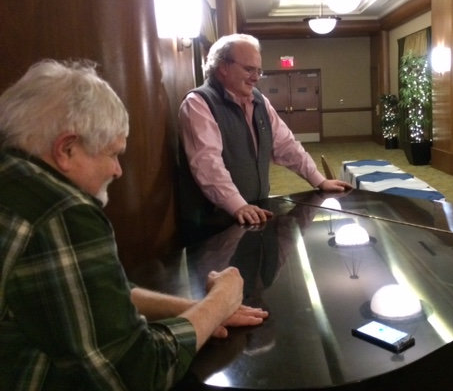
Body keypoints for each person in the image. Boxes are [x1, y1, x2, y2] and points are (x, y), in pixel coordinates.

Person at [0, 60, 268, 390]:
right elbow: (137, 372)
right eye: (113, 154)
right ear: (66, 149)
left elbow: (96, 295)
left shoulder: (12, 177)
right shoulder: (60, 211)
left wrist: (201, 310)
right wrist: (220, 300)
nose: (118, 171)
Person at [178, 33, 352, 231]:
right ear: (223, 67)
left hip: (254, 214)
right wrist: (238, 205)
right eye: (249, 69)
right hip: (214, 223)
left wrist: (319, 180)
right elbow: (207, 165)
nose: (255, 78)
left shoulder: (259, 100)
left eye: (258, 71)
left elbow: (286, 146)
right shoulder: (198, 104)